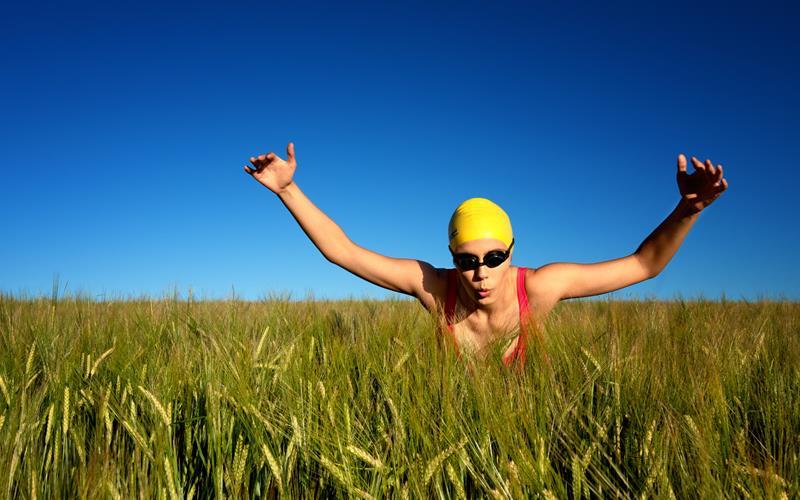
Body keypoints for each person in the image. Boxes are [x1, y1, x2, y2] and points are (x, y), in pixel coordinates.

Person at [244, 142, 728, 366]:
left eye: (495, 257)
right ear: (452, 258)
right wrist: (288, 191)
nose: (480, 271)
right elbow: (343, 252)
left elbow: (645, 264)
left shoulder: (539, 287)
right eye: (467, 260)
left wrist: (689, 210)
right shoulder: (436, 288)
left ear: (512, 251)